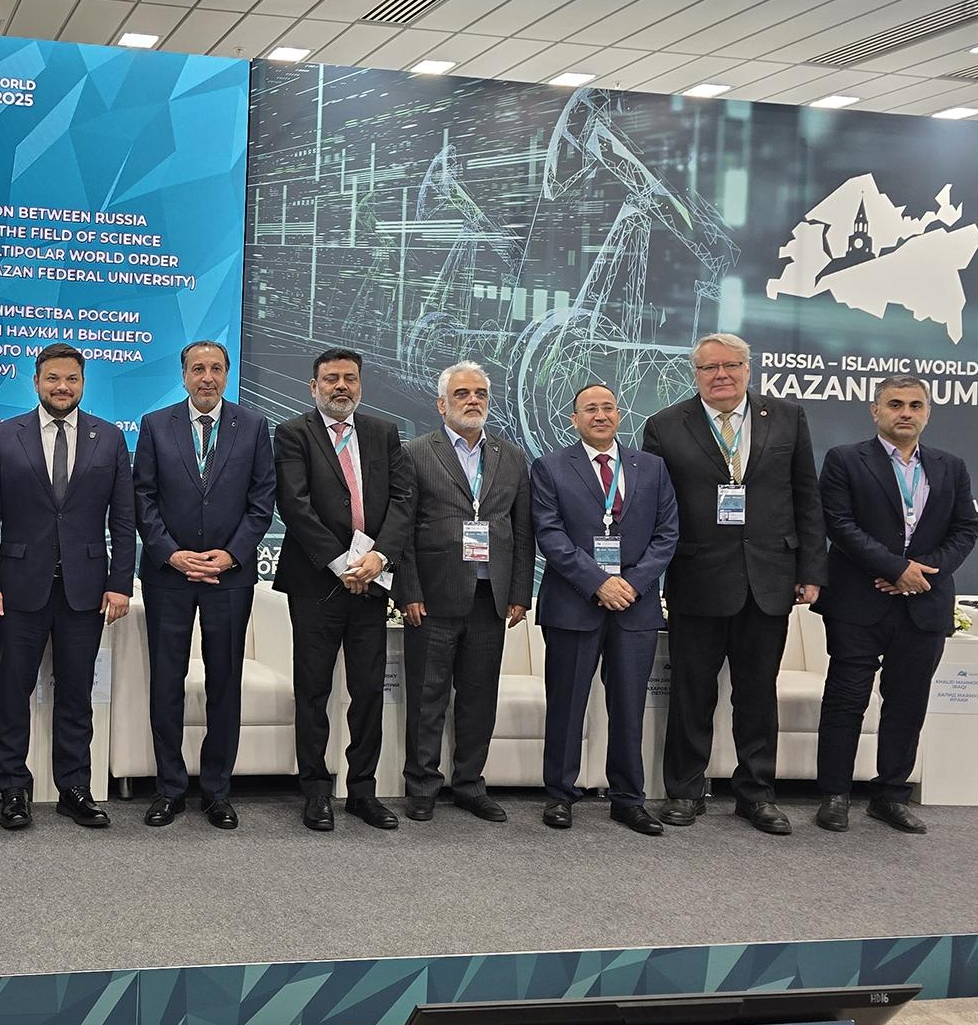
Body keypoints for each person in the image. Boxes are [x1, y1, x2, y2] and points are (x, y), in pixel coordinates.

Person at [641, 332, 826, 835]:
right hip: (697, 578)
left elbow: (806, 496)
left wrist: (811, 570)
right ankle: (684, 791)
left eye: (730, 366)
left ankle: (756, 795)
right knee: (691, 693)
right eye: (709, 368)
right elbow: (655, 507)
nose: (720, 375)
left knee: (758, 694)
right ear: (695, 375)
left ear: (748, 369)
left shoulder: (787, 417)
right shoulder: (664, 425)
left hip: (769, 579)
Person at [0, 343, 134, 830]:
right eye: (53, 378)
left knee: (77, 693)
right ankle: (12, 789)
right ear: (36, 382)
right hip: (17, 588)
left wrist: (120, 582)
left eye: (72, 379)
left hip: (85, 589)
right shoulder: (5, 436)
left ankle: (75, 788)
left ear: (82, 383)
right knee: (12, 692)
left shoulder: (110, 438)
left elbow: (123, 519)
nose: (62, 387)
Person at [813, 376, 978, 835]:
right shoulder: (845, 459)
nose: (905, 413)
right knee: (846, 700)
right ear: (876, 411)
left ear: (927, 413)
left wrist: (921, 573)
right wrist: (894, 568)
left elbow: (966, 528)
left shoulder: (951, 466)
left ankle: (890, 796)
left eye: (915, 405)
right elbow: (839, 524)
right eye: (895, 404)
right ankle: (835, 795)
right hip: (857, 603)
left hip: (924, 603)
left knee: (908, 704)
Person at [132, 341, 275, 830]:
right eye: (198, 369)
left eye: (216, 368)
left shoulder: (252, 426)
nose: (207, 377)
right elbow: (143, 496)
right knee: (166, 682)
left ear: (227, 374)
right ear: (184, 375)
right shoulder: (156, 425)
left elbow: (262, 501)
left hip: (228, 577)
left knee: (224, 684)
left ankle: (217, 791)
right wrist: (171, 553)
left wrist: (231, 554)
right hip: (168, 576)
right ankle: (169, 789)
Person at [272, 348, 412, 832]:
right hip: (316, 583)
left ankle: (363, 792)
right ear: (314, 387)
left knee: (368, 690)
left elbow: (403, 500)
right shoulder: (293, 433)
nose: (341, 387)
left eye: (349, 378)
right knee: (313, 690)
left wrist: (379, 558)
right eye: (331, 379)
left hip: (372, 583)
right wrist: (341, 563)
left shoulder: (383, 432)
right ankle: (315, 790)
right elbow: (294, 504)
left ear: (360, 385)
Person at [531, 383, 677, 835]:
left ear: (619, 414)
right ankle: (560, 795)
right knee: (566, 704)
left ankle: (628, 799)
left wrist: (630, 584)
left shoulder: (651, 467)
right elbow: (549, 534)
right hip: (573, 605)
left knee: (630, 707)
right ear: (573, 419)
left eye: (608, 407)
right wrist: (599, 582)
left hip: (635, 606)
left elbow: (667, 534)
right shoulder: (550, 467)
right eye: (590, 409)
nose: (600, 415)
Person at [394, 361, 533, 824]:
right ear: (442, 404)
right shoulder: (415, 452)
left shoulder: (511, 456)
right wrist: (408, 590)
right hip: (432, 597)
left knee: (479, 698)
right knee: (427, 698)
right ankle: (422, 786)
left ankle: (470, 784)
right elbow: (402, 530)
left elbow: (522, 530)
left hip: (490, 598)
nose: (472, 401)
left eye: (480, 394)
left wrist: (520, 591)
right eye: (462, 394)